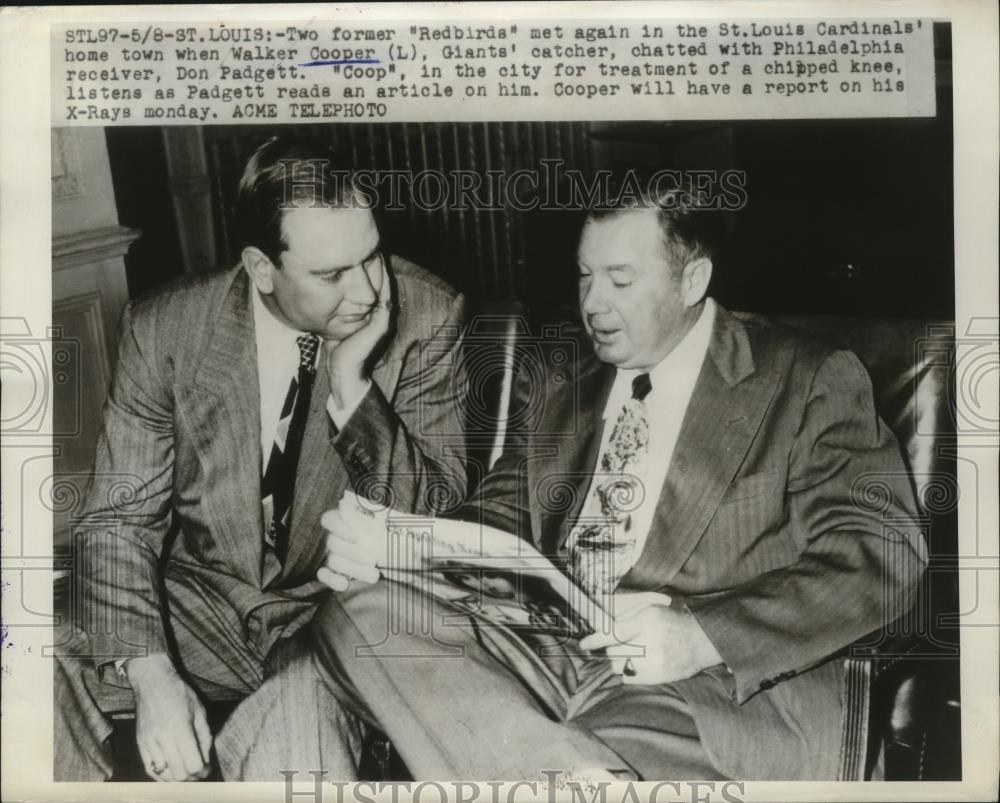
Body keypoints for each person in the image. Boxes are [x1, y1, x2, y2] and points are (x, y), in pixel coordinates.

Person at [314, 185, 927, 781]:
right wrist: (404, 546)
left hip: (701, 686)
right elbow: (502, 516)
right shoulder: (564, 380)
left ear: (693, 281)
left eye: (621, 280)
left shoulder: (804, 376)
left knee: (583, 743)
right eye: (585, 276)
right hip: (548, 643)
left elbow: (883, 554)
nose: (593, 303)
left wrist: (702, 635)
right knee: (358, 612)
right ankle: (566, 775)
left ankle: (557, 768)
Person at [54, 136, 468, 781]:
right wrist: (151, 671)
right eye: (331, 275)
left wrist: (354, 386)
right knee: (36, 651)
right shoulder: (166, 328)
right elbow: (118, 520)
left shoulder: (426, 316)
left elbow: (430, 518)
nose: (365, 291)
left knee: (297, 716)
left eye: (372, 257)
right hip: (203, 598)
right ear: (261, 267)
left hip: (340, 609)